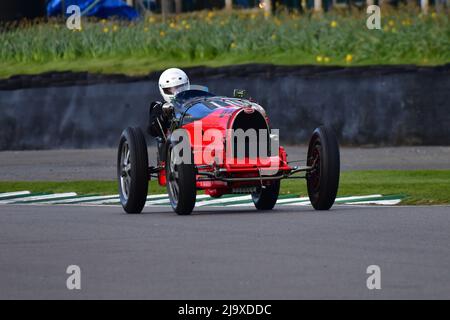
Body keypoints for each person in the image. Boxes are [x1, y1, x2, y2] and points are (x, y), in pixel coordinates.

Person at [148, 68, 190, 138]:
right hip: (172, 141)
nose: (177, 92)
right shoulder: (159, 107)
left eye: (179, 87)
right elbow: (152, 131)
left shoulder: (194, 102)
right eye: (171, 89)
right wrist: (164, 114)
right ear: (164, 90)